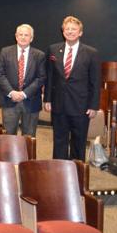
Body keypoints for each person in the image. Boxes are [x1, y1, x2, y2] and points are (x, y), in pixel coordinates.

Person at [44, 16, 100, 161]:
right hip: (59, 103)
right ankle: (59, 170)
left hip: (81, 105)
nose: (70, 31)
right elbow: (50, 76)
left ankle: (77, 172)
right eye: (67, 29)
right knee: (59, 140)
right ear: (63, 31)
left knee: (79, 141)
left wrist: (93, 106)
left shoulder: (91, 53)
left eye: (73, 29)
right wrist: (47, 99)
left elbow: (95, 81)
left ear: (80, 32)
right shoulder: (53, 49)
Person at [0, 24, 46, 137]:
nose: (23, 37)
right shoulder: (5, 52)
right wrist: (11, 92)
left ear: (31, 38)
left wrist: (24, 94)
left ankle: (27, 156)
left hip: (31, 101)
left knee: (29, 137)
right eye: (20, 34)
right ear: (16, 36)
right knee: (8, 137)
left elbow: (41, 77)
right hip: (9, 100)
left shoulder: (39, 55)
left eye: (26, 35)